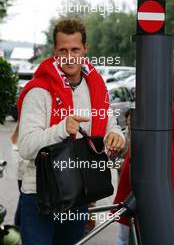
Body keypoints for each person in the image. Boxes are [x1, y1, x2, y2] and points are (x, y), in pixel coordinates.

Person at [17, 18, 125, 245]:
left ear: (85, 49)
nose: (69, 56)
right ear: (54, 52)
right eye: (63, 50)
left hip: (78, 194)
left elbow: (109, 124)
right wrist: (61, 129)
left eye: (75, 49)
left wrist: (116, 134)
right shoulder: (38, 92)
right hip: (39, 196)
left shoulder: (96, 87)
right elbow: (26, 147)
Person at [113, 74, 174, 245]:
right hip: (148, 195)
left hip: (143, 192)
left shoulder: (158, 113)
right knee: (127, 238)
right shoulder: (162, 115)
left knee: (126, 238)